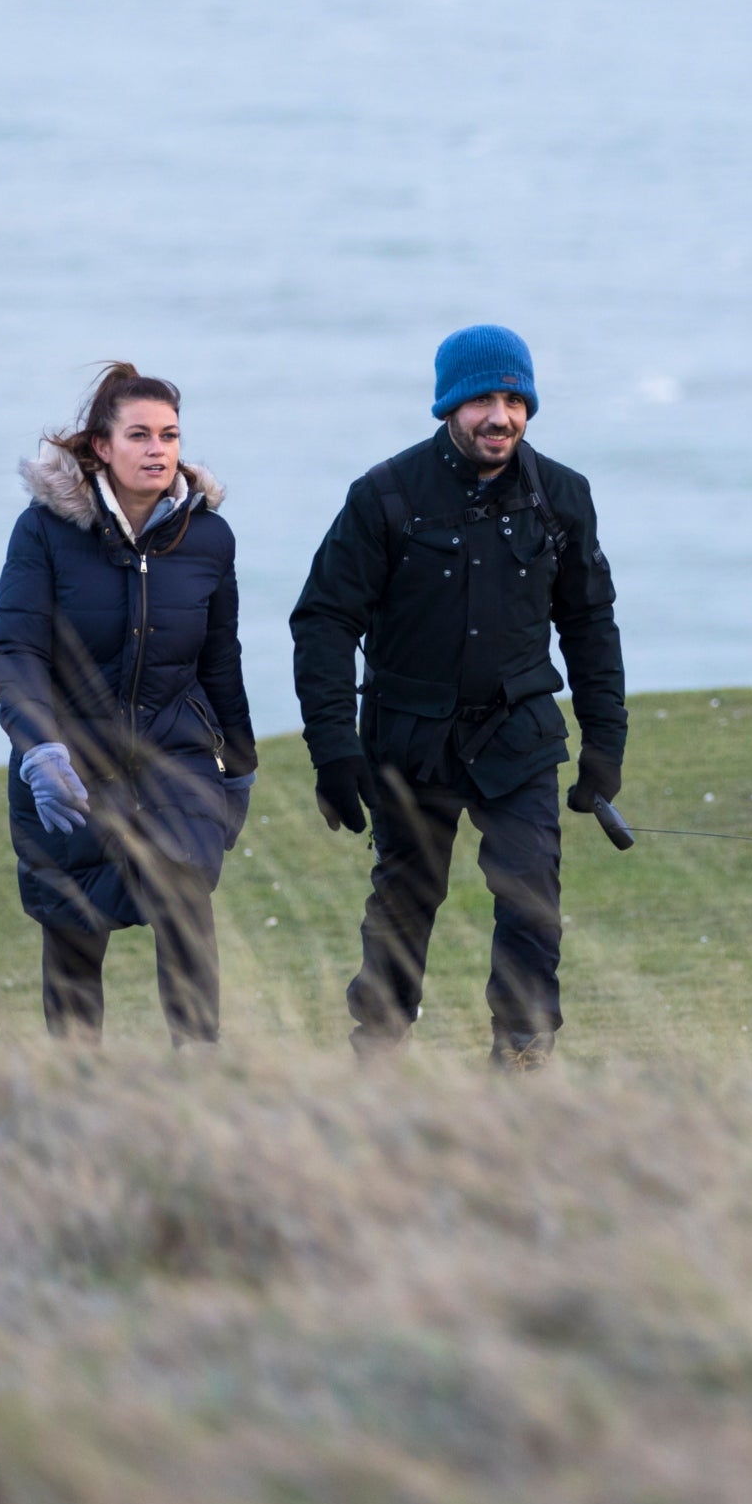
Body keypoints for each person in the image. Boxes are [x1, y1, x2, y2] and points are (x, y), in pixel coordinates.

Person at [289, 324, 626, 1070]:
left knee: (531, 896)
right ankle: (377, 1051)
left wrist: (606, 744)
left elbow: (590, 623)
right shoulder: (383, 496)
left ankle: (523, 1055)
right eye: (481, 400)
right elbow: (323, 620)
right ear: (448, 405)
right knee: (403, 905)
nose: (500, 416)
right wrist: (333, 751)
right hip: (408, 738)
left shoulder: (563, 497)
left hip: (520, 734)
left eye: (514, 399)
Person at [0, 363, 256, 1047]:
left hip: (176, 760)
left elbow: (221, 661)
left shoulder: (209, 540)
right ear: (101, 447)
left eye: (168, 435)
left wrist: (241, 766)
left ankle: (199, 1076)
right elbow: (16, 653)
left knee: (185, 898)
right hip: (72, 765)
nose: (157, 450)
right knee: (75, 935)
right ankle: (78, 1094)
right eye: (138, 435)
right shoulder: (44, 533)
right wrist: (39, 750)